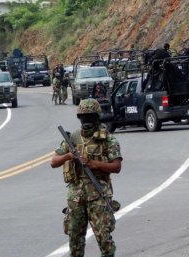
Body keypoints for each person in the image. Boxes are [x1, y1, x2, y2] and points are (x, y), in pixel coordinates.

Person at [50, 98, 123, 257]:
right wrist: (69, 155)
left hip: (98, 195)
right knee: (75, 239)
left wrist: (93, 164)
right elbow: (53, 162)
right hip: (76, 197)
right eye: (83, 117)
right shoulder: (72, 139)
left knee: (104, 238)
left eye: (90, 117)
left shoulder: (107, 139)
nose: (86, 121)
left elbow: (116, 166)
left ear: (97, 117)